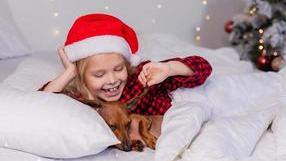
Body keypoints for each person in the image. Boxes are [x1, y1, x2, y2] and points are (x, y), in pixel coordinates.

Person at [40, 13, 212, 115]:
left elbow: (204, 67)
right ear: (82, 77)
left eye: (118, 69)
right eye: (99, 74)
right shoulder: (81, 97)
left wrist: (169, 68)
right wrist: (70, 72)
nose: (112, 80)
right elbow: (41, 104)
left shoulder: (141, 79)